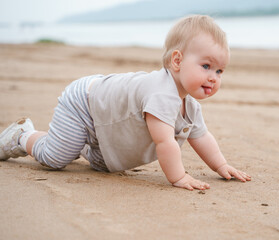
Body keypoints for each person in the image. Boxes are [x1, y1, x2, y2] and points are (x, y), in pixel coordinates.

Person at [0, 15, 251, 191]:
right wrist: (179, 177)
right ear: (177, 61)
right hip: (85, 104)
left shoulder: (191, 107)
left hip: (109, 119)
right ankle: (24, 135)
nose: (213, 77)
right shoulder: (161, 93)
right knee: (54, 158)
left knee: (103, 164)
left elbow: (202, 137)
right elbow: (165, 142)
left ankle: (76, 142)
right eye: (206, 66)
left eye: (219, 71)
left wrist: (221, 165)